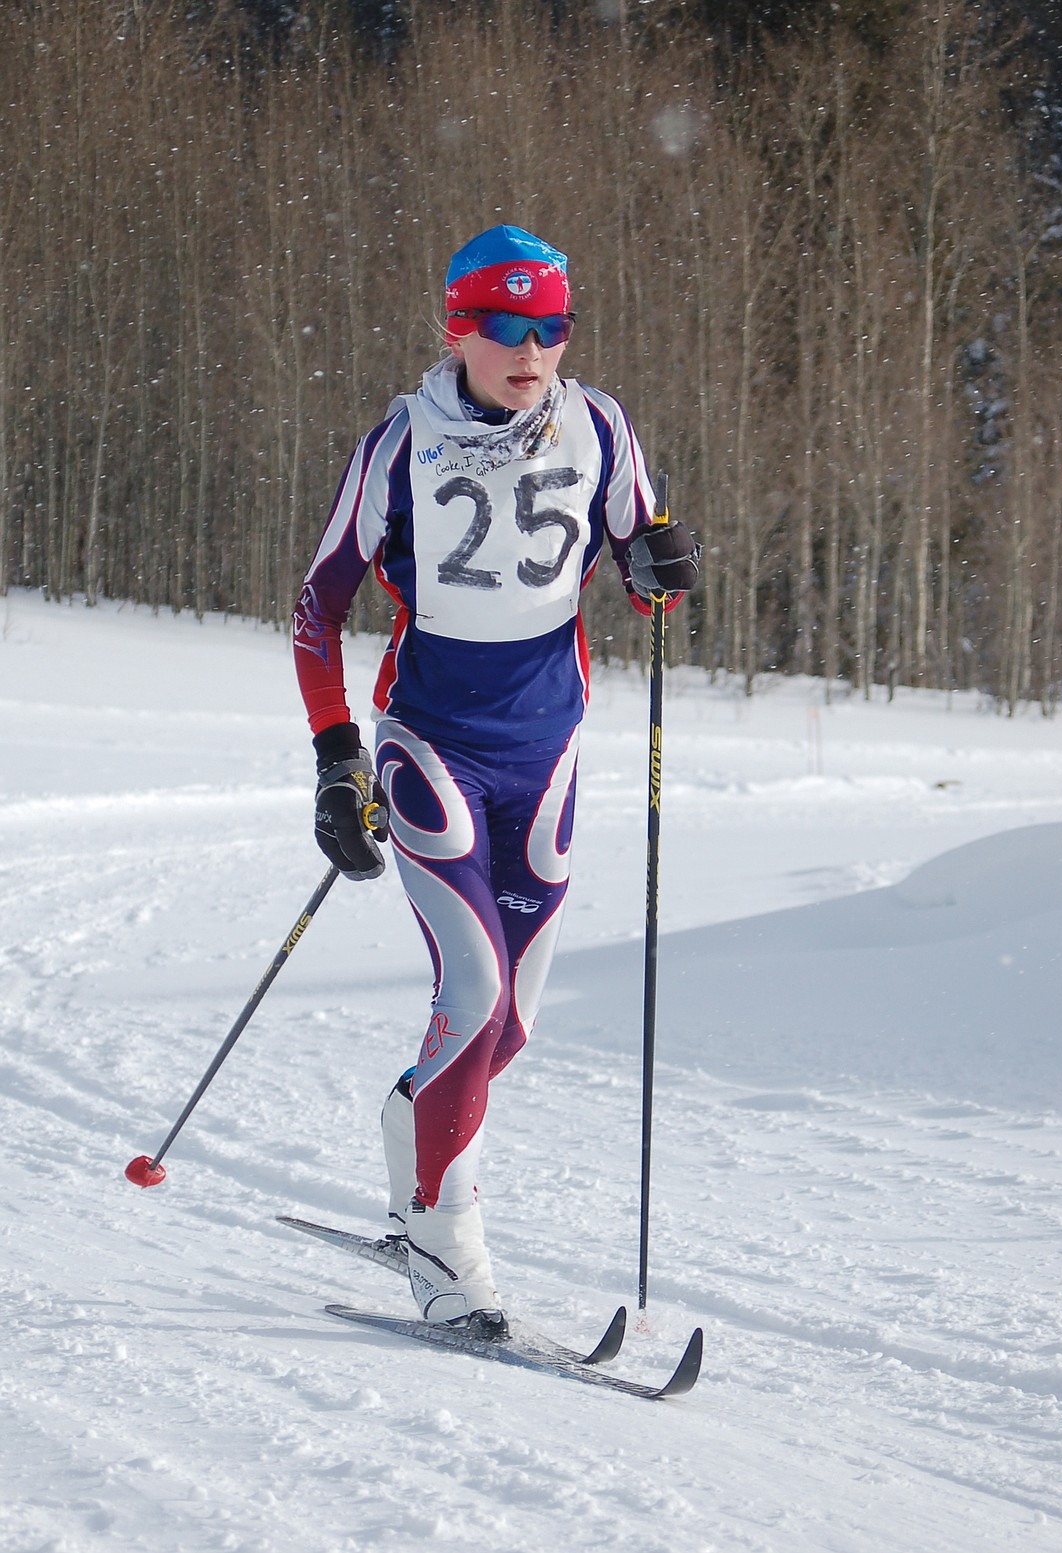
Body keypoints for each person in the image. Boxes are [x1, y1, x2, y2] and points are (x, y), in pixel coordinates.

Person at [292, 224, 700, 1336]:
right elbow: (315, 608)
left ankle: (413, 1135)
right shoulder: (398, 445)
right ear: (456, 327)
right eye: (508, 327)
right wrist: (337, 758)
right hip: (433, 747)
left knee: (510, 1023)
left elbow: (640, 553)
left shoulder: (599, 423)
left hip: (549, 753)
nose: (533, 351)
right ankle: (442, 1241)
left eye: (553, 328)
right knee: (470, 995)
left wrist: (663, 565)